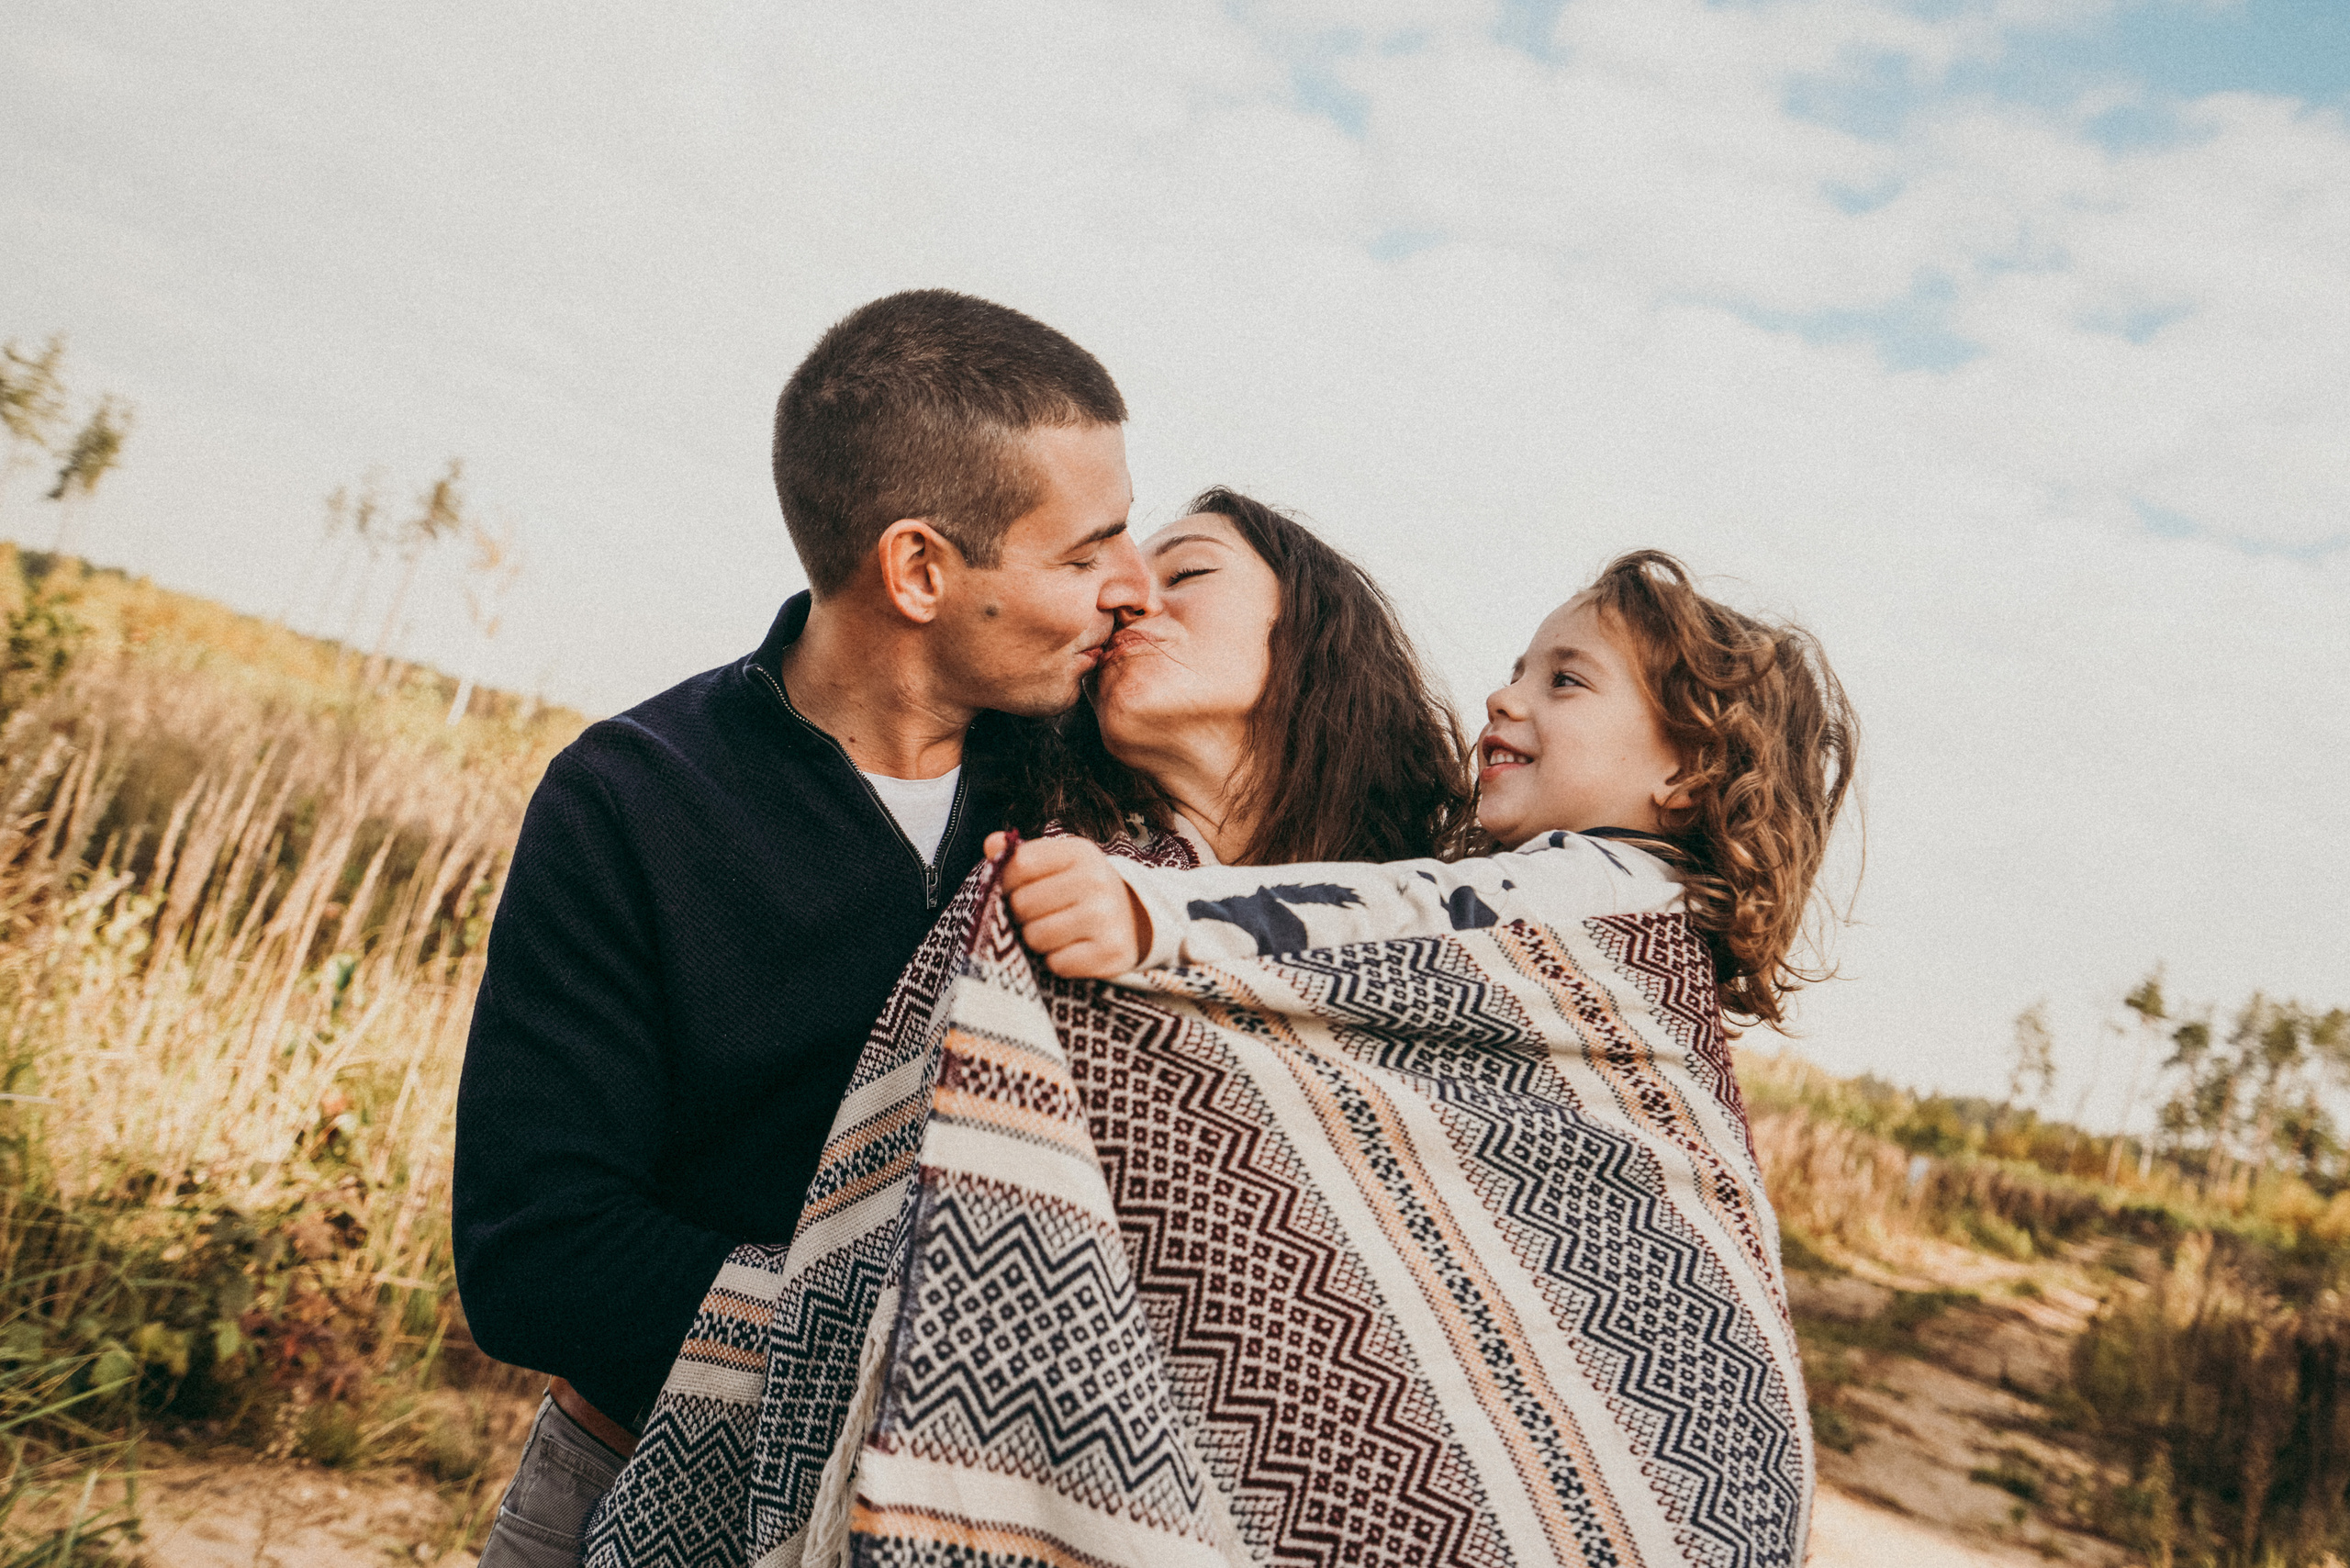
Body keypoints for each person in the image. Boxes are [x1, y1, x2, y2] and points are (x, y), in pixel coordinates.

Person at [453, 288, 1158, 1568]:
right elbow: (538, 1255)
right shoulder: (629, 799)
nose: (1135, 585)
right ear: (919, 570)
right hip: (632, 1492)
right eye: (1083, 554)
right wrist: (926, 1356)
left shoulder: (1096, 793)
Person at [1002, 543, 1855, 1028]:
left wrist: (1151, 912)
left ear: (1690, 771)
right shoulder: (1650, 907)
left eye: (1565, 681)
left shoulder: (1601, 888)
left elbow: (1401, 914)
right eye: (1518, 672)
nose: (1503, 699)